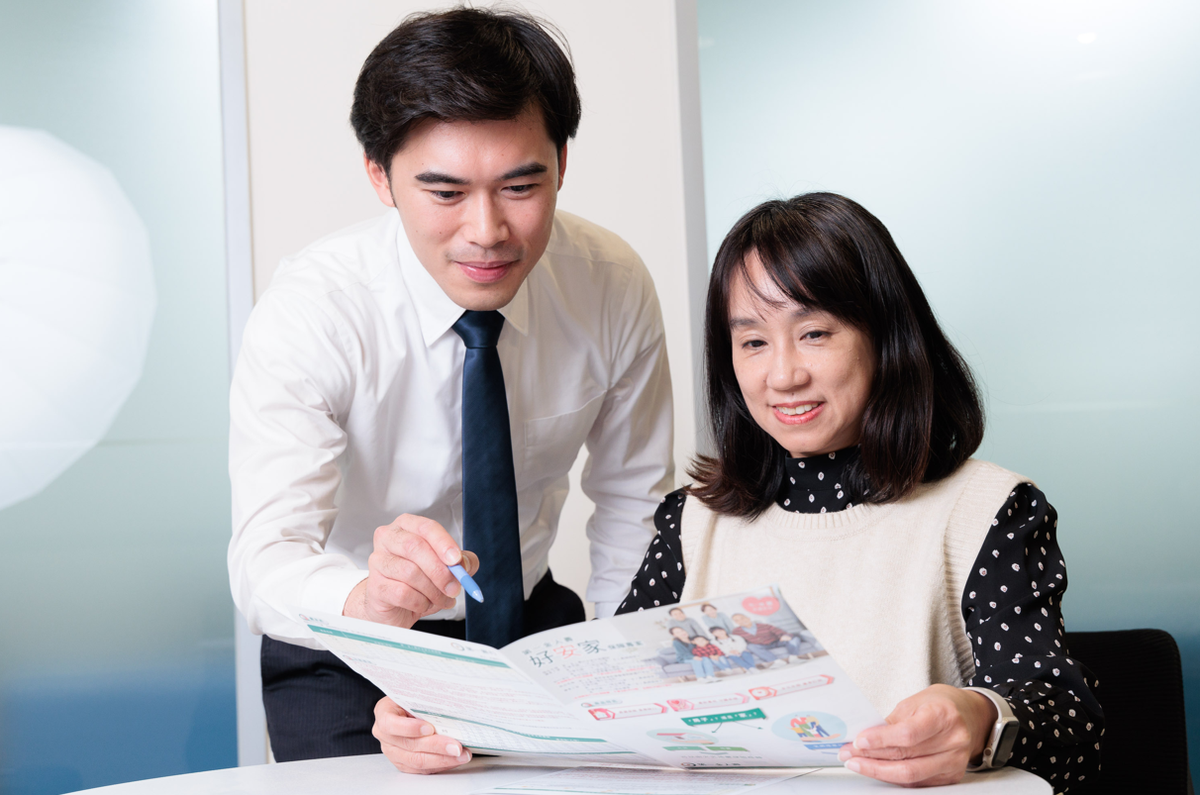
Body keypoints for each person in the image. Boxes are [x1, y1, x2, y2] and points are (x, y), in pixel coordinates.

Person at [228, 8, 674, 773]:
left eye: (520, 185)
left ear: (562, 162)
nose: (487, 230)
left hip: (531, 624)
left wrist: (622, 678)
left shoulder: (609, 284)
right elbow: (266, 558)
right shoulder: (314, 310)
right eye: (445, 192)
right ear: (380, 176)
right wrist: (370, 600)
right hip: (351, 637)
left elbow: (634, 505)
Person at [616, 193, 1103, 791]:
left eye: (814, 333)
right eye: (753, 342)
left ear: (886, 337)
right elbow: (612, 706)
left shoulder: (984, 512)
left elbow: (1071, 727)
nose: (783, 375)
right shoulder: (693, 521)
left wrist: (979, 717)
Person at [730, 612, 805, 665]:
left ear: (748, 618)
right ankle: (776, 662)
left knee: (794, 639)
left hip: (776, 641)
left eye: (742, 618)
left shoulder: (764, 625)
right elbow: (737, 642)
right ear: (736, 623)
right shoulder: (736, 631)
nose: (741, 621)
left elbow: (779, 631)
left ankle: (794, 657)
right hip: (761, 645)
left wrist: (784, 636)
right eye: (737, 620)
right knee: (750, 646)